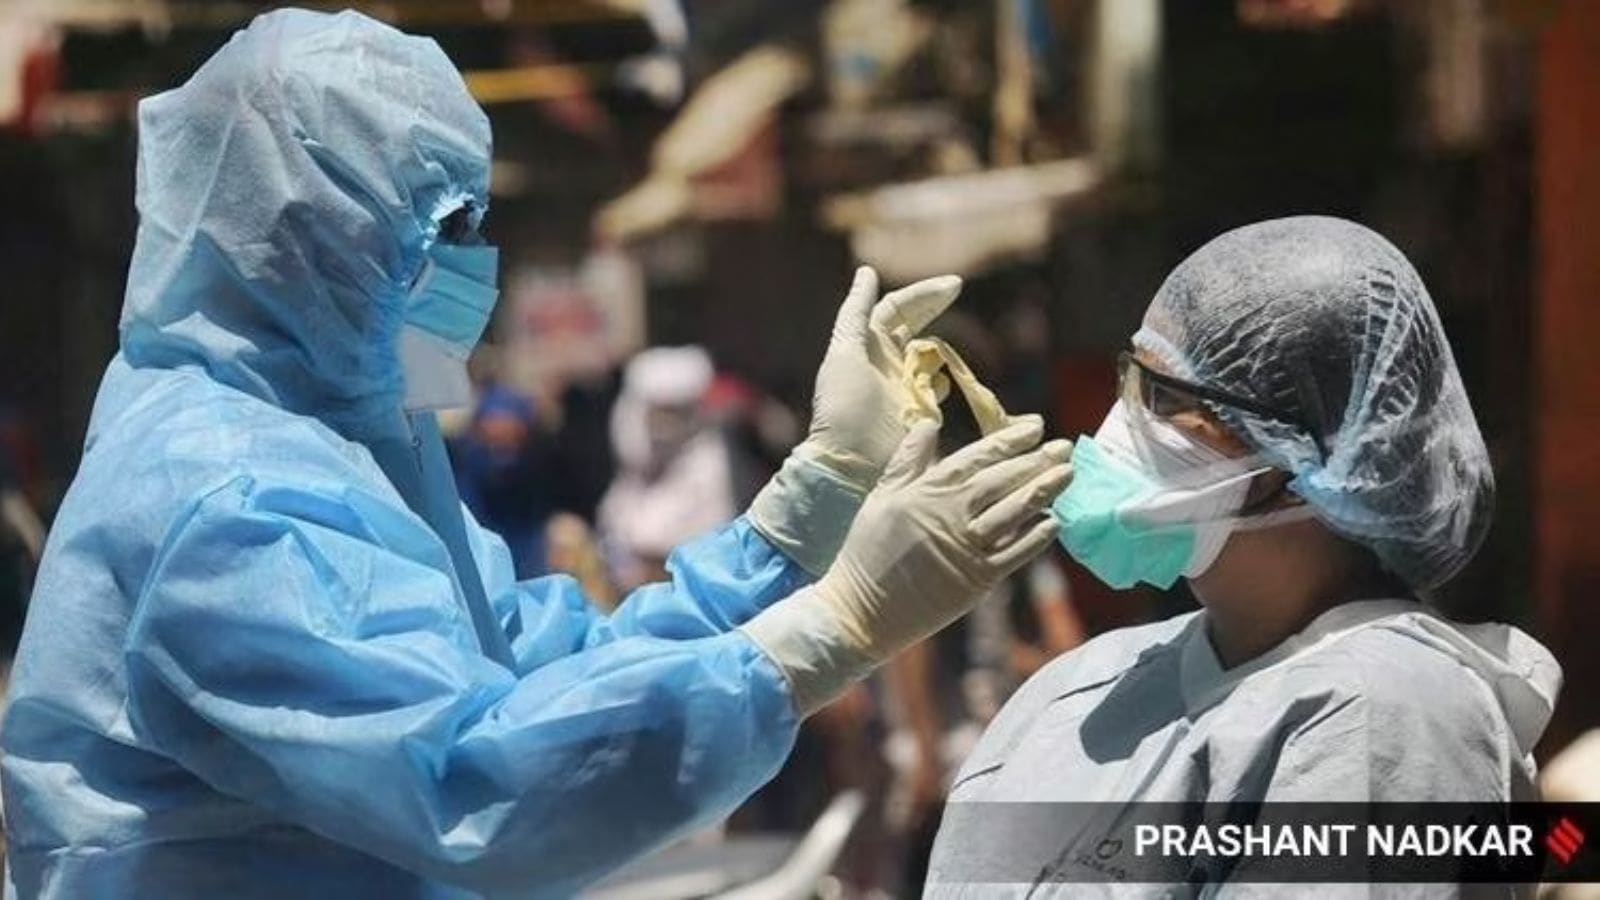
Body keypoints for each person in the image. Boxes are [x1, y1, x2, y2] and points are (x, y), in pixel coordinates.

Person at [0, 11, 1071, 900]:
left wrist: (811, 504)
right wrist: (831, 630)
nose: (475, 263)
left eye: (478, 220)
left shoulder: (344, 448)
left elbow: (549, 673)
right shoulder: (229, 501)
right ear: (303, 245)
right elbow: (477, 780)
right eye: (442, 229)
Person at [926, 217, 1562, 894]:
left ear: (1306, 452)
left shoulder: (1388, 712)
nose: (1122, 424)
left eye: (1166, 398)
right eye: (1130, 381)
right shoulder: (1082, 686)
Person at [452, 384, 557, 578]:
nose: (501, 447)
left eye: (512, 438)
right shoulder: (461, 485)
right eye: (491, 437)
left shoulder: (534, 482)